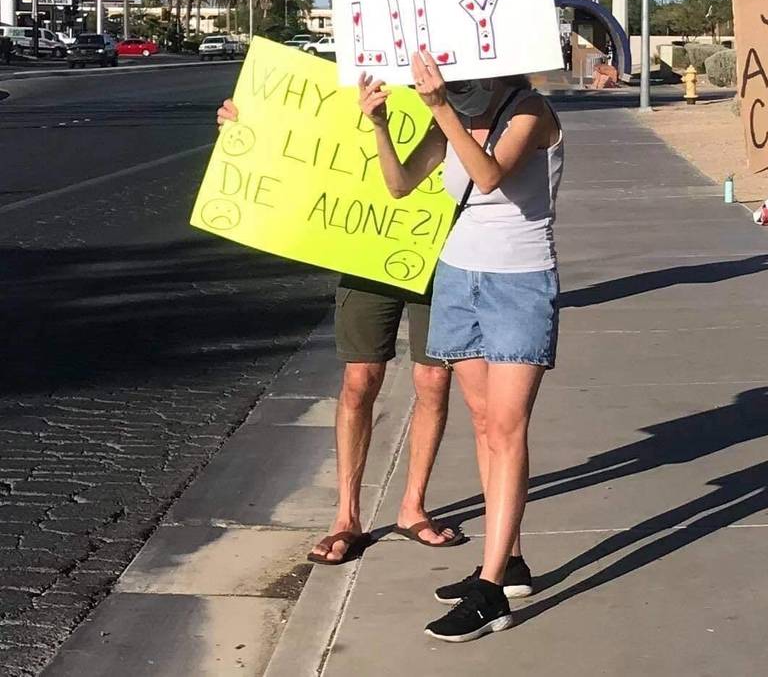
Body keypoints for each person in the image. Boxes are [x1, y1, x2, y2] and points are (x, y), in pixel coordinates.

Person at [358, 50, 564, 643]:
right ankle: (512, 560)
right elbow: (400, 185)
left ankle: (492, 591)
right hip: (458, 277)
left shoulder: (529, 109)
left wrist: (442, 107)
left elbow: (489, 174)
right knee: (481, 422)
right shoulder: (446, 114)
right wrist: (378, 123)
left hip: (518, 283)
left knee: (507, 427)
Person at [215, 99, 464, 564]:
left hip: (441, 251)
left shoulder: (459, 89)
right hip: (368, 249)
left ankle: (413, 507)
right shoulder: (362, 78)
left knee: (434, 380)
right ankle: (346, 517)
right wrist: (248, 126)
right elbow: (315, 139)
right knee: (358, 381)